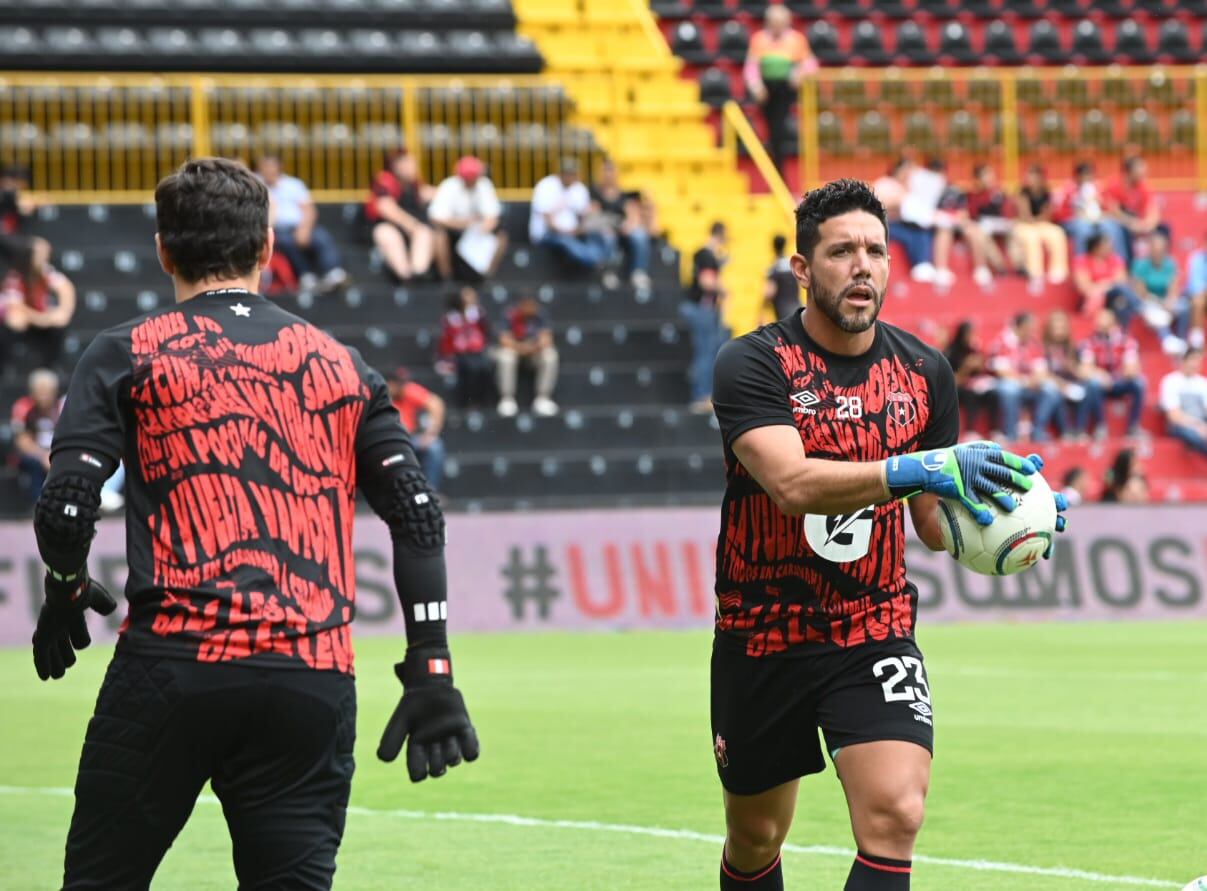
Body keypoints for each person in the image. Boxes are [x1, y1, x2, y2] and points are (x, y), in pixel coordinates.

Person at [28, 158, 477, 889]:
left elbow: (68, 503)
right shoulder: (344, 365)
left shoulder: (127, 350)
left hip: (173, 666)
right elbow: (418, 514)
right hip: (310, 677)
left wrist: (66, 585)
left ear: (162, 249)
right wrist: (431, 662)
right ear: (269, 245)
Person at [709, 178, 1065, 891]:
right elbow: (791, 483)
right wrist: (922, 465)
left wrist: (1003, 513)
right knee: (755, 835)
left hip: (871, 626)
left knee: (895, 812)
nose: (862, 265)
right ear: (803, 269)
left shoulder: (924, 372)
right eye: (841, 251)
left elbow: (931, 526)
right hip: (762, 631)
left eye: (875, 250)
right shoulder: (752, 364)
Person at [1072, 231, 1182, 354]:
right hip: (1096, 300)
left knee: (1123, 303)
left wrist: (1102, 285)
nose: (1111, 247)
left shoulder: (1115, 259)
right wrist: (1107, 284)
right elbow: (1086, 288)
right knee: (1121, 292)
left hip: (1115, 299)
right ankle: (1144, 309)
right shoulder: (1082, 261)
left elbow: (1121, 280)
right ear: (1096, 247)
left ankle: (1162, 336)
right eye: (1107, 245)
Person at [255, 155, 346, 294]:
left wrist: (304, 229)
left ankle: (334, 272)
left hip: (300, 226)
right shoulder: (257, 185)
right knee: (286, 241)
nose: (268, 170)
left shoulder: (293, 184)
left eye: (271, 166)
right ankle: (306, 276)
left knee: (321, 237)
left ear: (279, 167)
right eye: (265, 166)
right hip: (275, 230)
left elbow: (309, 209)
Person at [744, 4, 816, 173]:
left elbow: (811, 64)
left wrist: (799, 73)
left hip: (786, 91)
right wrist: (756, 85)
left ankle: (779, 165)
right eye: (773, 22)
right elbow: (751, 66)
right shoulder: (759, 39)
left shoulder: (796, 39)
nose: (777, 26)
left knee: (780, 129)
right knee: (770, 128)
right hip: (766, 91)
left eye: (780, 22)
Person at [0, 235, 76, 372]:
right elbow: (17, 307)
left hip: (39, 318)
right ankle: (7, 368)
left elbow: (65, 287)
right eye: (39, 254)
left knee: (59, 323)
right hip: (26, 318)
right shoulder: (16, 276)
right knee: (15, 320)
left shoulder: (46, 273)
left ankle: (50, 367)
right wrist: (43, 319)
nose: (43, 258)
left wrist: (64, 311)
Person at [427, 155, 508, 282]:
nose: (471, 180)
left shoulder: (484, 185)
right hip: (454, 232)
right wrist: (465, 223)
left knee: (501, 236)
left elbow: (492, 217)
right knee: (439, 235)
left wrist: (481, 229)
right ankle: (446, 278)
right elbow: (436, 218)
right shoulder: (449, 186)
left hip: (476, 234)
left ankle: (486, 277)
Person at [988, 312, 1063, 441]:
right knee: (1010, 390)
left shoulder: (1034, 343)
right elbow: (1002, 371)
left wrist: (1034, 380)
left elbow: (1041, 370)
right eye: (1028, 328)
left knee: (1051, 390)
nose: (1031, 331)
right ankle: (1010, 434)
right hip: (1007, 382)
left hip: (1029, 384)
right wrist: (1024, 381)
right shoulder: (1001, 341)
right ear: (1018, 327)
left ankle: (1038, 431)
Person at [529, 158, 613, 273]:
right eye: (568, 173)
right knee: (567, 241)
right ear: (561, 173)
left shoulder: (579, 188)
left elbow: (586, 215)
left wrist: (585, 226)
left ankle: (601, 262)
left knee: (603, 234)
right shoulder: (546, 186)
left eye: (573, 174)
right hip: (548, 234)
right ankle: (597, 261)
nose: (570, 177)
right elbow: (549, 222)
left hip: (574, 233)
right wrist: (571, 232)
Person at [365, 148, 435, 282]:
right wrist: (411, 225)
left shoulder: (413, 184)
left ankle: (417, 275)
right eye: (406, 163)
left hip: (409, 230)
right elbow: (385, 208)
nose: (410, 167)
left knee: (424, 232)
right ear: (395, 166)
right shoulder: (385, 180)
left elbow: (428, 193)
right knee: (388, 234)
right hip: (383, 229)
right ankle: (405, 276)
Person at [683, 221, 730, 413]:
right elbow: (706, 282)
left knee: (705, 351)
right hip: (702, 310)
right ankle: (701, 396)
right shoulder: (707, 255)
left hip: (696, 308)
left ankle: (702, 395)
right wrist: (724, 290)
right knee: (705, 353)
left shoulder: (702, 254)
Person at [1079, 307, 1146, 437]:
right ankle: (1101, 426)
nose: (1098, 323)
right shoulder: (1090, 342)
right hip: (1101, 383)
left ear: (1113, 322)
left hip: (1120, 380)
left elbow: (1131, 368)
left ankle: (1133, 427)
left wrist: (1118, 375)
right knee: (1093, 384)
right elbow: (1085, 369)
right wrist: (1101, 374)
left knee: (1139, 383)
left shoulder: (1127, 340)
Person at [590, 159, 653, 290]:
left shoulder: (624, 195)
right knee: (608, 237)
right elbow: (593, 216)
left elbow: (632, 214)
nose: (609, 175)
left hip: (621, 230)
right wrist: (610, 226)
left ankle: (638, 272)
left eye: (611, 171)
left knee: (639, 235)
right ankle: (609, 272)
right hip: (604, 230)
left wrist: (629, 226)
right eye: (606, 171)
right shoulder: (594, 193)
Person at [496, 295, 559, 419]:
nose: (530, 309)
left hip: (534, 352)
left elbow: (547, 339)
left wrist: (532, 348)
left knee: (550, 355)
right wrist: (522, 348)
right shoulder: (510, 314)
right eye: (527, 306)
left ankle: (542, 398)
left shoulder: (541, 314)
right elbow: (504, 340)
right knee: (505, 356)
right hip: (516, 352)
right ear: (521, 305)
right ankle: (507, 398)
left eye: (532, 306)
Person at [1010, 164, 1069, 294]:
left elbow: (1047, 213)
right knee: (1031, 238)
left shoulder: (1046, 193)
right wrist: (1034, 221)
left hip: (1040, 223)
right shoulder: (1022, 192)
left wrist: (1038, 221)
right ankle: (1035, 273)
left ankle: (1058, 271)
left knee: (1057, 233)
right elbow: (1024, 214)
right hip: (1024, 224)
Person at [387, 367, 448, 491]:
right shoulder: (382, 395)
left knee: (434, 447)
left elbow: (436, 404)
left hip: (411, 438)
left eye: (403, 383)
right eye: (398, 384)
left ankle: (430, 492)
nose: (402, 387)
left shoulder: (408, 390)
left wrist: (431, 433)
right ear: (390, 384)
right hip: (390, 441)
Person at [10, 367, 61, 508]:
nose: (44, 395)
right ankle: (38, 505)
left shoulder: (61, 406)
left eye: (47, 391)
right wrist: (43, 455)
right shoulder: (23, 406)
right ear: (32, 391)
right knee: (35, 464)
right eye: (40, 390)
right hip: (32, 454)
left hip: (55, 452)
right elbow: (22, 440)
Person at [437, 285, 494, 409]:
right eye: (467, 295)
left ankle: (483, 401)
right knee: (469, 368)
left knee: (485, 366)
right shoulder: (450, 317)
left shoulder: (478, 313)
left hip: (476, 352)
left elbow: (485, 333)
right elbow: (446, 340)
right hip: (457, 353)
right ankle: (467, 402)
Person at [1055, 160, 1128, 257]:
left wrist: (1101, 203)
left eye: (1090, 175)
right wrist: (1076, 212)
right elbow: (1059, 214)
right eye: (1084, 175)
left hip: (1097, 220)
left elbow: (1110, 209)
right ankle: (1081, 264)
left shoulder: (1098, 189)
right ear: (1077, 176)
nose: (1087, 178)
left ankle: (1118, 263)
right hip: (1075, 222)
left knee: (1112, 227)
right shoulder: (1068, 190)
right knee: (1083, 228)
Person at [1103, 155, 1166, 265]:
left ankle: (1160, 267)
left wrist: (1147, 224)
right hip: (1120, 222)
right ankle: (1126, 266)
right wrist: (1132, 224)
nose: (1145, 171)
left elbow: (1153, 211)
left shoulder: (1144, 187)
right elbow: (1113, 211)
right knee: (1121, 231)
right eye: (1140, 168)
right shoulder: (1114, 185)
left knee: (1164, 229)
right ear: (1129, 171)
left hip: (1138, 222)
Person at [1131, 231, 1186, 349]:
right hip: (1149, 301)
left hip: (1166, 300)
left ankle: (1183, 338)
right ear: (1150, 249)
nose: (1158, 253)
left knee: (1184, 307)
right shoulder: (1140, 265)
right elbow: (1141, 292)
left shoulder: (1170, 263)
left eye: (1161, 250)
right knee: (1158, 314)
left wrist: (1170, 300)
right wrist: (1158, 302)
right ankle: (1167, 339)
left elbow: (1174, 287)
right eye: (1156, 249)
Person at [943, 320, 996, 440]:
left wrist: (981, 365)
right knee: (970, 395)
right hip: (958, 389)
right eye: (970, 334)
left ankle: (995, 431)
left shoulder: (974, 350)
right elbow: (951, 380)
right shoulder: (951, 352)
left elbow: (983, 373)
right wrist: (966, 368)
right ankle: (970, 430)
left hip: (977, 385)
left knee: (993, 394)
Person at [964, 164, 1012, 288]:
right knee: (979, 232)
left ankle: (1016, 266)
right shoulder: (973, 195)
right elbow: (971, 215)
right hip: (982, 228)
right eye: (986, 175)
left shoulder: (999, 193)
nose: (991, 178)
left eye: (991, 174)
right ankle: (999, 266)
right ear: (978, 178)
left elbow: (1008, 214)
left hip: (1002, 226)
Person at [1158, 346, 1207, 457]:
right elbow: (1174, 416)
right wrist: (1198, 426)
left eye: (1198, 360)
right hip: (1179, 427)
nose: (1195, 364)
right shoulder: (1170, 381)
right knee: (1192, 435)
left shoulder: (1203, 383)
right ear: (1184, 361)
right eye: (1193, 359)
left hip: (1202, 425)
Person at [765, 234, 800, 321]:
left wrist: (763, 306)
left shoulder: (774, 267)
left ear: (773, 247)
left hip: (783, 311)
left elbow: (770, 292)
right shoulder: (792, 265)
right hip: (797, 306)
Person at [1183, 231, 1207, 350]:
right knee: (1199, 300)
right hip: (1197, 298)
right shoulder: (1196, 259)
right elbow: (1196, 288)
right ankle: (1197, 338)